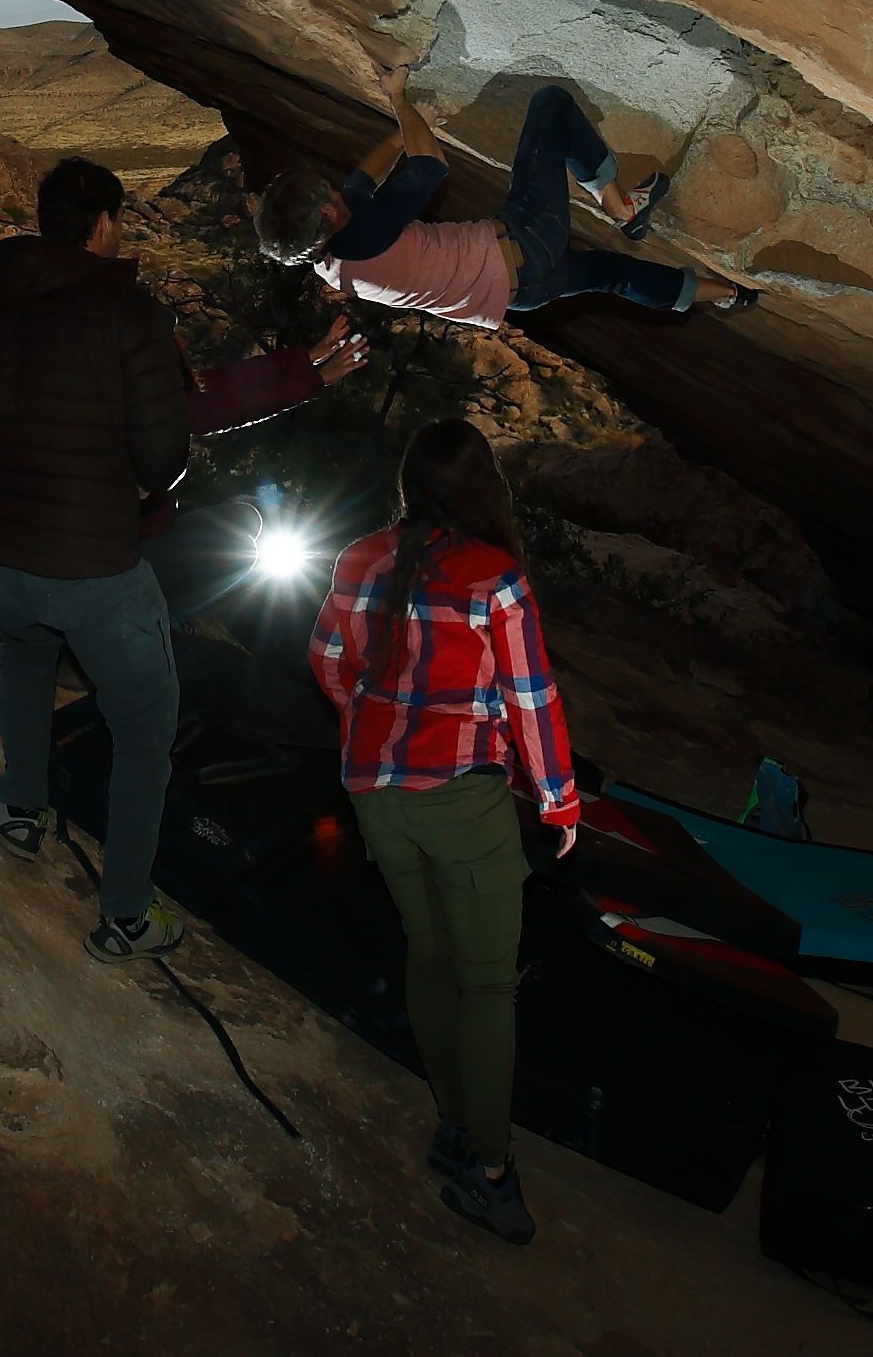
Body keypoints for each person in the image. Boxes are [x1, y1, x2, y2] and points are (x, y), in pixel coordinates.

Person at [308, 417, 579, 1246]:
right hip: (460, 800)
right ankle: (489, 1173)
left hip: (374, 791)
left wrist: (372, 716)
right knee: (489, 984)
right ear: (481, 488)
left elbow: (325, 655)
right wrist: (559, 802)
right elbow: (532, 700)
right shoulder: (496, 580)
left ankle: (455, 1122)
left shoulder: (361, 555)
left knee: (429, 956)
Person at [0, 156, 196, 962]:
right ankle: (127, 913)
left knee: (25, 652)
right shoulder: (128, 310)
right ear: (104, 224)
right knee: (146, 724)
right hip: (95, 566)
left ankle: (18, 808)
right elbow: (163, 460)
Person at [253, 65, 755, 330]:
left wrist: (405, 121)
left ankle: (730, 294)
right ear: (325, 210)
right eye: (327, 190)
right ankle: (620, 206)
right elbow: (430, 167)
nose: (336, 186)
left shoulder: (332, 255)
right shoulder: (364, 235)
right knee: (550, 106)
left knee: (612, 275)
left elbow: (364, 180)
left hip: (517, 294)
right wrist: (402, 102)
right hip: (525, 241)